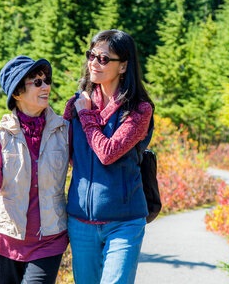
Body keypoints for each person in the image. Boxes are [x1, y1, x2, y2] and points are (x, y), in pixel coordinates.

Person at [63, 29, 154, 284]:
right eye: (91, 55)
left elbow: (107, 153)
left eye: (104, 58)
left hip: (124, 222)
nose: (94, 63)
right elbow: (65, 155)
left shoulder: (138, 110)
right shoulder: (77, 104)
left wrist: (87, 117)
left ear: (123, 66)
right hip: (80, 221)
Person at [0, 56, 70, 284]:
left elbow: (88, 171)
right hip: (6, 238)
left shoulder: (64, 130)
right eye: (36, 82)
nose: (46, 86)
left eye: (46, 80)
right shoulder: (0, 134)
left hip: (49, 240)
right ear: (17, 93)